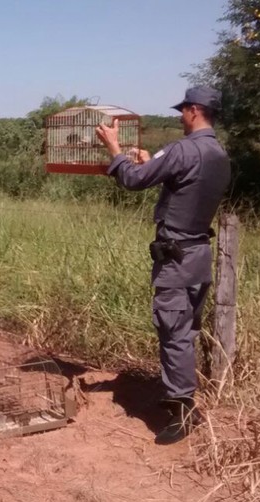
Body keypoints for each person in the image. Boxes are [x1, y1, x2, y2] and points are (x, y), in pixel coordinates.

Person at [95, 86, 231, 445]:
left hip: (177, 258)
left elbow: (132, 181)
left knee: (174, 333)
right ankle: (177, 396)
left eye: (183, 110)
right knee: (184, 331)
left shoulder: (182, 149)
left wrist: (114, 149)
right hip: (199, 255)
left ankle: (182, 411)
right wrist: (147, 160)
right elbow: (182, 183)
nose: (180, 116)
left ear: (193, 111)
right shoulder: (217, 152)